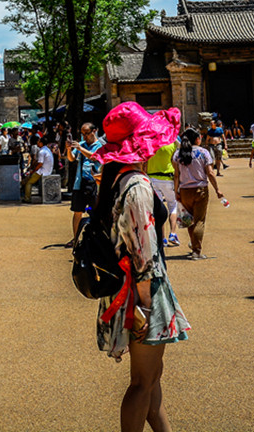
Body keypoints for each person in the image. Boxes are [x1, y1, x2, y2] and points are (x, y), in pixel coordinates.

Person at [89, 102, 189, 432]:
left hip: (124, 288)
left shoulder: (113, 180)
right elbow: (144, 255)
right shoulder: (138, 186)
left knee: (152, 380)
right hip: (142, 293)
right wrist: (144, 308)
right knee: (142, 383)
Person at [173, 128, 224, 260]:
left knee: (190, 220)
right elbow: (210, 172)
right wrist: (217, 189)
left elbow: (176, 175)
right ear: (197, 139)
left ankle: (194, 244)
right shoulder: (203, 152)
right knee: (199, 221)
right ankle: (196, 251)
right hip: (200, 190)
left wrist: (176, 191)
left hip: (184, 190)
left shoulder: (178, 154)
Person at [67, 123, 103, 246]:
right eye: (83, 134)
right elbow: (72, 159)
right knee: (77, 211)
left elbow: (95, 157)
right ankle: (76, 238)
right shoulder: (81, 145)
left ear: (94, 131)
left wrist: (80, 149)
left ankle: (97, 238)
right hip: (80, 182)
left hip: (95, 183)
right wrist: (68, 149)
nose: (85, 136)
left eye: (87, 133)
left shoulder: (100, 146)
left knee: (97, 212)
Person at [147, 142, 180, 246]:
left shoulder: (149, 143)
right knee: (173, 205)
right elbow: (176, 163)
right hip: (168, 178)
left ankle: (162, 238)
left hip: (152, 178)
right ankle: (173, 233)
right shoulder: (172, 144)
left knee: (158, 207)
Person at [21, 136, 55, 203]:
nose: (37, 143)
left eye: (39, 142)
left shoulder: (42, 151)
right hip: (48, 170)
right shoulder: (47, 150)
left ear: (41, 143)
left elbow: (40, 164)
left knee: (29, 182)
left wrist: (33, 171)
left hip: (43, 171)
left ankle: (27, 198)